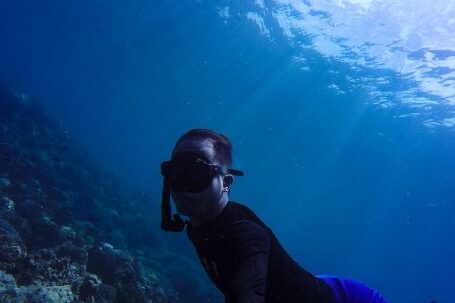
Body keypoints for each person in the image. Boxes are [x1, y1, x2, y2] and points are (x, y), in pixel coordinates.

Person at [159, 128, 389, 303]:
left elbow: (251, 292)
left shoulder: (243, 234)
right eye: (176, 172)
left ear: (227, 183)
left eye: (196, 172)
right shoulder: (201, 220)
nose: (182, 186)